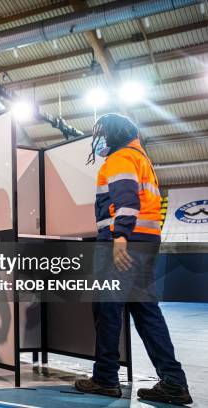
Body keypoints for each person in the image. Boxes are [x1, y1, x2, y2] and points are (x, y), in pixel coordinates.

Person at [75, 113, 192, 405]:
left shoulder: (120, 159)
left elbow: (127, 200)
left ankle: (105, 378)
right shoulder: (141, 159)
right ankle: (174, 382)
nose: (98, 138)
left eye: (102, 132)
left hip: (124, 244)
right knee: (145, 312)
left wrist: (119, 237)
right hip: (145, 243)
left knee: (108, 311)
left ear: (115, 133)